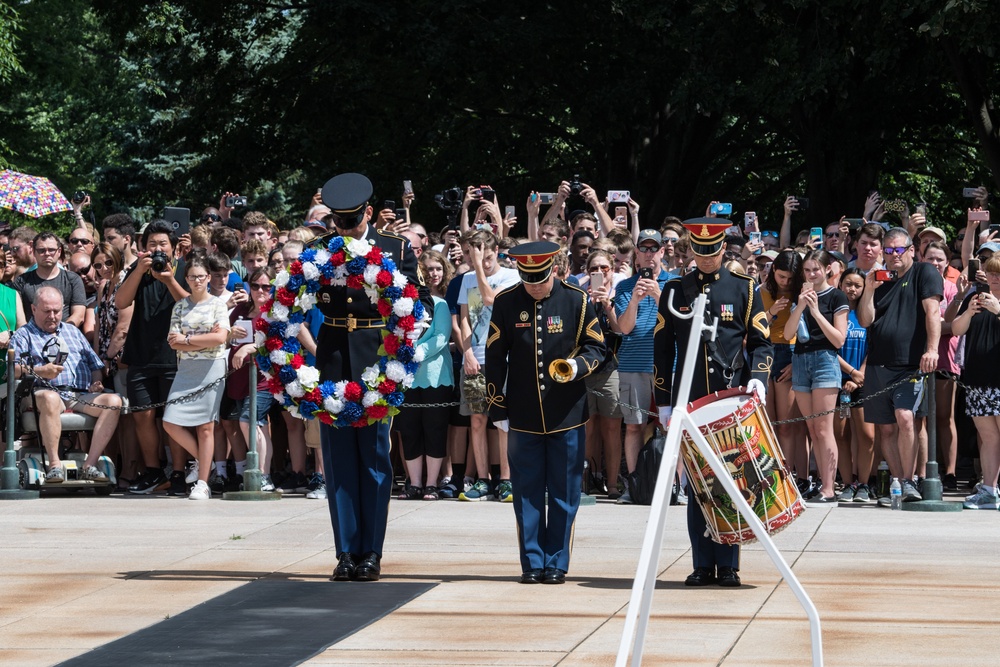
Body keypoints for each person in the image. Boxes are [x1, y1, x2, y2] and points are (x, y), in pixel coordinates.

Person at [653, 219, 773, 588]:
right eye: (699, 252)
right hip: (691, 399)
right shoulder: (675, 290)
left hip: (730, 397)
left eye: (712, 252)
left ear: (723, 250)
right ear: (691, 249)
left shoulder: (744, 288)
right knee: (698, 484)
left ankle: (730, 564)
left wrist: (759, 377)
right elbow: (662, 350)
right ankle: (703, 563)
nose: (706, 259)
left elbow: (762, 341)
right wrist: (664, 402)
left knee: (734, 480)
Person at [315, 173, 420, 582]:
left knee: (375, 459)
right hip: (334, 355)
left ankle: (371, 551)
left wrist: (403, 351)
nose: (344, 228)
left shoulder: (394, 249)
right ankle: (346, 552)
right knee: (339, 461)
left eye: (351, 221)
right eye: (338, 221)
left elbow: (419, 303)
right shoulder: (319, 251)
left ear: (369, 214)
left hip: (378, 355)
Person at [485, 241, 606, 584]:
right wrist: (498, 406)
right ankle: (532, 562)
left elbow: (597, 347)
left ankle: (556, 561)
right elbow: (494, 357)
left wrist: (576, 365)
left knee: (565, 491)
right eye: (529, 280)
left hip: (566, 412)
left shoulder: (576, 299)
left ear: (553, 268)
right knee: (526, 491)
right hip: (522, 414)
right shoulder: (507, 302)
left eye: (540, 278)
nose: (535, 286)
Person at [858, 227, 942, 505]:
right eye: (889, 250)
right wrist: (869, 290)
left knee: (906, 418)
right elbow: (866, 319)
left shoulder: (924, 273)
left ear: (911, 250)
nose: (894, 256)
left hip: (910, 364)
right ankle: (897, 480)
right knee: (886, 428)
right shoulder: (879, 279)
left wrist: (932, 349)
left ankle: (909, 480)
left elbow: (932, 312)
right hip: (879, 363)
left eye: (899, 250)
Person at [9, 287, 122, 483]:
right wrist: (41, 370)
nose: (52, 316)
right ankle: (54, 466)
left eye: (57, 311)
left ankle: (90, 464)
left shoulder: (73, 332)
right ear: (34, 309)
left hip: (78, 395)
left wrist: (97, 382)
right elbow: (14, 369)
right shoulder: (23, 335)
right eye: (47, 311)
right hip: (43, 394)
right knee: (50, 398)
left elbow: (95, 364)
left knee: (114, 401)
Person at [115, 220, 190, 495]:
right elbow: (121, 302)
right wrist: (139, 270)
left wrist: (169, 278)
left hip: (174, 357)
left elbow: (190, 306)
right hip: (142, 355)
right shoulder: (137, 270)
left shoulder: (183, 271)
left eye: (162, 245)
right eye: (152, 245)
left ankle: (179, 473)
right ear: (142, 248)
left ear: (173, 249)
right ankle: (153, 471)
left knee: (174, 417)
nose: (158, 249)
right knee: (142, 416)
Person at [456, 228, 519, 502]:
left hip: (503, 359)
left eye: (486, 255)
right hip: (475, 358)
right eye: (474, 255)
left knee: (503, 422)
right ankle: (483, 480)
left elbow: (490, 299)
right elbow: (464, 319)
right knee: (478, 420)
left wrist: (480, 268)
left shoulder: (511, 276)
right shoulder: (465, 279)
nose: (482, 261)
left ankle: (506, 479)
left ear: (495, 251)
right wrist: (467, 352)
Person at [160, 253, 230, 500]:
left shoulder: (218, 304)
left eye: (201, 276)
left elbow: (220, 338)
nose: (197, 281)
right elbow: (173, 342)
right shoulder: (180, 306)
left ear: (208, 278)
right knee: (170, 421)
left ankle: (202, 482)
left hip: (212, 366)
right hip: (187, 369)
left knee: (206, 427)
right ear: (186, 279)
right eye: (192, 277)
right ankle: (205, 461)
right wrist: (202, 340)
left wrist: (188, 340)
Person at [783, 250, 848, 503]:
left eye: (816, 269)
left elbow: (839, 339)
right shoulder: (798, 297)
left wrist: (817, 311)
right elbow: (789, 332)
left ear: (827, 269)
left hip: (825, 360)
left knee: (823, 429)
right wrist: (800, 306)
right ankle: (821, 483)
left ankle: (829, 488)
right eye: (807, 270)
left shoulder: (836, 296)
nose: (811, 275)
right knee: (811, 427)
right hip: (800, 360)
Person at [613, 229, 672, 503]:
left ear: (663, 251)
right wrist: (636, 299)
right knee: (634, 425)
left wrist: (659, 294)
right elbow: (624, 328)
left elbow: (680, 323)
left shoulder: (676, 283)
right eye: (644, 249)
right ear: (636, 253)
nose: (649, 254)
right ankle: (634, 485)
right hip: (633, 363)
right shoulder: (625, 287)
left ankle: (675, 485)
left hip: (667, 364)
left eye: (654, 248)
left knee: (670, 425)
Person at [393, 255, 454, 500]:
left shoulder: (439, 304)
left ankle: (431, 483)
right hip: (407, 377)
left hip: (435, 376)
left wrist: (416, 352)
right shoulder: (400, 306)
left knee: (435, 429)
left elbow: (441, 336)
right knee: (409, 430)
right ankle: (415, 483)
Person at [949, 255, 1000, 509]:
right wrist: (969, 311)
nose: (994, 278)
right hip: (977, 380)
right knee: (988, 437)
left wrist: (998, 310)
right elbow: (956, 330)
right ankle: (989, 490)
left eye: (999, 274)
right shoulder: (974, 298)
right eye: (991, 273)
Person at [758, 250, 809, 488]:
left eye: (790, 278)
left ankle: (788, 478)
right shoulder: (761, 292)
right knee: (768, 422)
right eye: (781, 276)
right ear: (772, 270)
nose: (785, 282)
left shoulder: (802, 293)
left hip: (791, 352)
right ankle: (770, 476)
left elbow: (810, 331)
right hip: (765, 350)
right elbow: (754, 330)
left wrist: (796, 360)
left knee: (787, 425)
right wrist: (771, 312)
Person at [834, 269, 874, 502]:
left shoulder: (867, 312)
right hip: (838, 378)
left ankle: (864, 484)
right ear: (840, 284)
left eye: (857, 285)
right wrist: (849, 372)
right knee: (841, 434)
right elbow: (829, 347)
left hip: (863, 379)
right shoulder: (834, 311)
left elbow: (874, 347)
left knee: (867, 436)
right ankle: (847, 484)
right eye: (848, 284)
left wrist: (860, 374)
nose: (852, 289)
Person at [11, 232, 87, 328]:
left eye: (51, 250)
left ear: (59, 251)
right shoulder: (22, 281)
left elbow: (79, 315)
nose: (47, 254)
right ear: (34, 252)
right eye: (41, 250)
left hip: (65, 337)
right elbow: (18, 318)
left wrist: (60, 333)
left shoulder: (73, 279)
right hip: (32, 338)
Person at [0, 246, 28, 380]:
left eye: (1, 264)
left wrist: (10, 335)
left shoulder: (12, 294)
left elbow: (23, 331)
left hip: (7, 368)